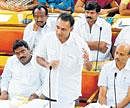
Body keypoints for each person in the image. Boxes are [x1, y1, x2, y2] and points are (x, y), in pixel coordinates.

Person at [34, 13, 91, 108]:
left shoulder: (79, 43)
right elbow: (38, 58)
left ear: (71, 29)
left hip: (69, 94)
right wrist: (47, 64)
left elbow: (89, 68)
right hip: (50, 90)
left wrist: (86, 61)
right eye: (57, 27)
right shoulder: (48, 38)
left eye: (63, 29)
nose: (59, 32)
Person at [98, 43, 130, 108]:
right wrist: (104, 107)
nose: (117, 56)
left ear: (128, 56)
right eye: (116, 53)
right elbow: (102, 94)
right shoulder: (106, 67)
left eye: (121, 54)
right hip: (106, 105)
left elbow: (128, 97)